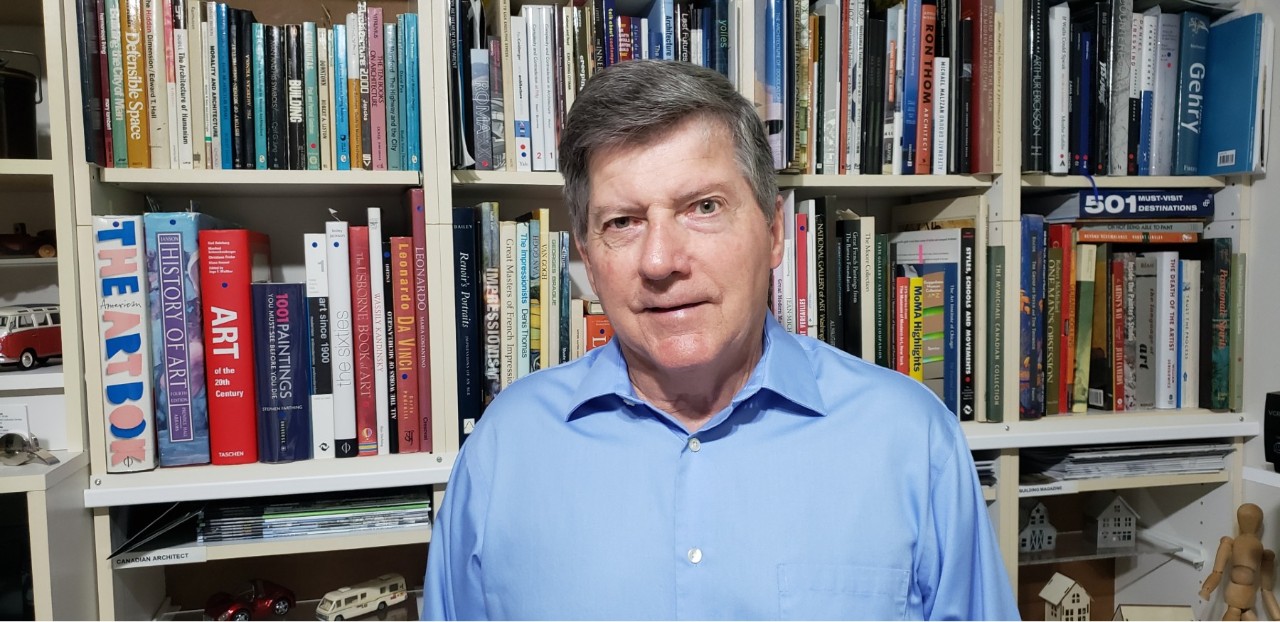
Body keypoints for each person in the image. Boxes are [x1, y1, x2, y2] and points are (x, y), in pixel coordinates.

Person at [423, 59, 1017, 620]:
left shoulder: (910, 438)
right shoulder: (507, 447)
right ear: (586, 253)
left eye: (703, 207)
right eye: (622, 222)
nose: (660, 261)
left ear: (775, 232)